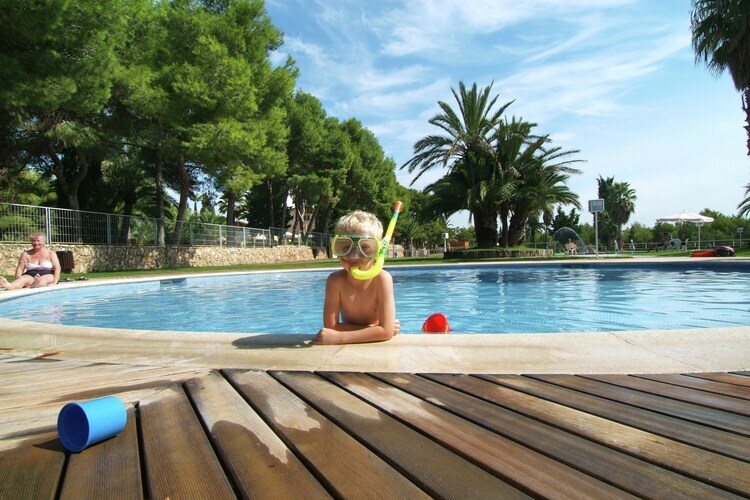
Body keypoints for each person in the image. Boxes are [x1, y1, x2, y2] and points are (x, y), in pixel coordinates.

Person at [312, 210, 400, 344]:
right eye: (345, 247)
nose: (353, 256)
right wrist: (376, 329)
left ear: (377, 251)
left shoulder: (382, 279)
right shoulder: (335, 281)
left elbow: (386, 332)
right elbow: (331, 328)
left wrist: (340, 337)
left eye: (364, 247)